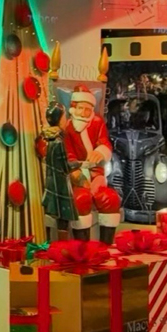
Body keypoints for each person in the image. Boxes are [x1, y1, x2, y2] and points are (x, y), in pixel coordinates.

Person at [63, 85, 118, 242]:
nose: (83, 113)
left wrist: (100, 152)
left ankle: (105, 245)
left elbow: (104, 142)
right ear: (74, 108)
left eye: (87, 109)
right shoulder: (68, 128)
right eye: (81, 108)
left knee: (110, 199)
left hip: (97, 176)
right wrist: (77, 175)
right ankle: (82, 247)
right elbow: (68, 155)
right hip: (77, 177)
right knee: (81, 200)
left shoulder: (97, 122)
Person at [40, 102, 82, 241]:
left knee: (52, 215)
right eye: (64, 117)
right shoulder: (58, 141)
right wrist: (79, 164)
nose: (66, 120)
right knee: (63, 218)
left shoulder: (47, 138)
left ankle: (48, 241)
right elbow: (65, 166)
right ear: (59, 119)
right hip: (60, 186)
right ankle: (61, 245)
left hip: (50, 183)